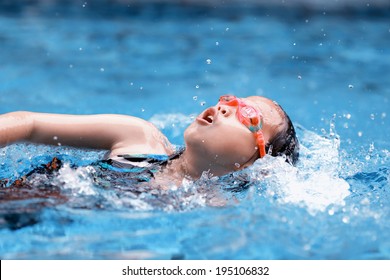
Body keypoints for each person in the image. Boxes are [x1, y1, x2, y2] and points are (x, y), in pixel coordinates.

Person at [0, 95, 299, 188]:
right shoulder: (139, 137)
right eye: (229, 100)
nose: (224, 107)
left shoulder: (212, 209)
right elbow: (29, 124)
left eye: (247, 114)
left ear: (255, 160)